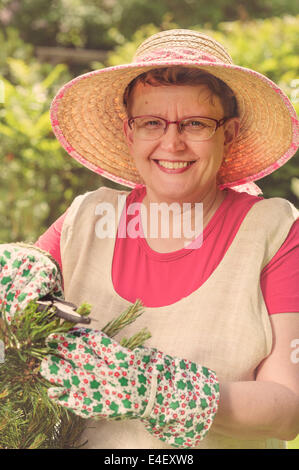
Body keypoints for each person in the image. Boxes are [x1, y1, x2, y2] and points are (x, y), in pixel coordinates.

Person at [30, 29, 299, 449]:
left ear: (228, 134)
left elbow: (288, 408)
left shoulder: (274, 232)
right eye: (152, 123)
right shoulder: (86, 219)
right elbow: (17, 318)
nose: (172, 143)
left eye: (195, 123)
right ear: (128, 133)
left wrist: (156, 391)